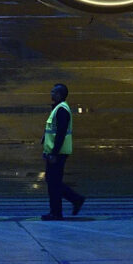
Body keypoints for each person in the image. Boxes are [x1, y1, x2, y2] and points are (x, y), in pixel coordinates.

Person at [41, 82, 84, 221]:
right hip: (54, 152)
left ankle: (58, 211)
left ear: (59, 94)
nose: (51, 94)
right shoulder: (58, 108)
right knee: (53, 181)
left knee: (53, 183)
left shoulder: (61, 110)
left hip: (58, 153)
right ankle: (73, 201)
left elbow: (60, 134)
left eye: (53, 92)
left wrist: (53, 153)